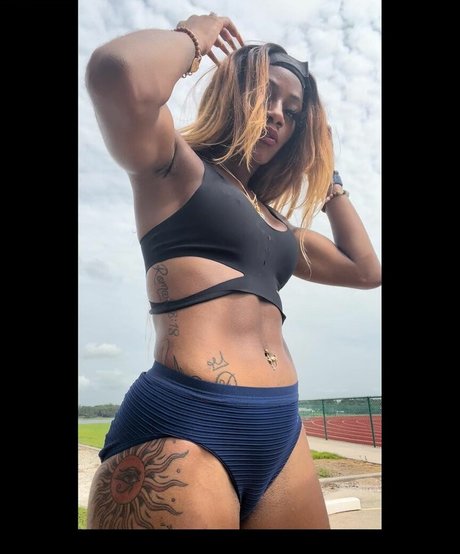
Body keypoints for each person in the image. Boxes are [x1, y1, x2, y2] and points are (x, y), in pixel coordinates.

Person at [85, 12, 381, 529]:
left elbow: (365, 270)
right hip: (186, 420)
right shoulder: (176, 169)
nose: (277, 115)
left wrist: (329, 178)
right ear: (233, 95)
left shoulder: (280, 225)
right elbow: (117, 73)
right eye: (265, 95)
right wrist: (194, 36)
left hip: (281, 427)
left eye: (292, 112)